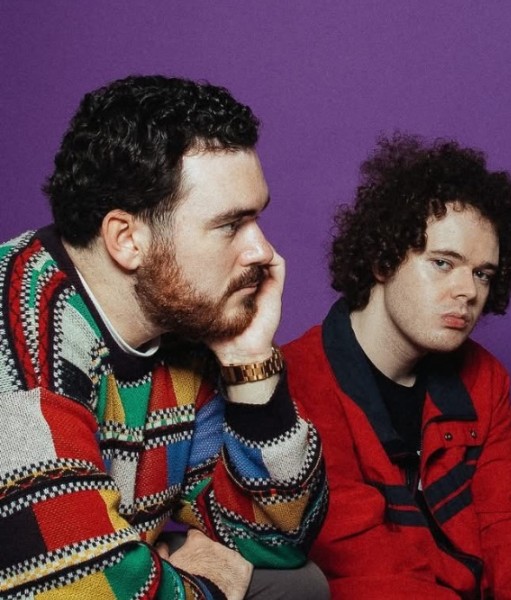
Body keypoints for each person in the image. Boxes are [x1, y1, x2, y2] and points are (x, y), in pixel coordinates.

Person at [0, 75, 328, 600]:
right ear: (127, 239)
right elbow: (81, 590)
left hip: (113, 566)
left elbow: (275, 541)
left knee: (299, 585)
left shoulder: (179, 331)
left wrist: (248, 358)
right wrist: (210, 583)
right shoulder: (20, 345)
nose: (263, 251)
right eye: (231, 225)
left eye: (256, 219)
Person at [282, 134, 511, 599]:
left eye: (482, 273)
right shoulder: (299, 382)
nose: (469, 291)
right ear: (383, 260)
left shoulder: (485, 380)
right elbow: (363, 564)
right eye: (443, 263)